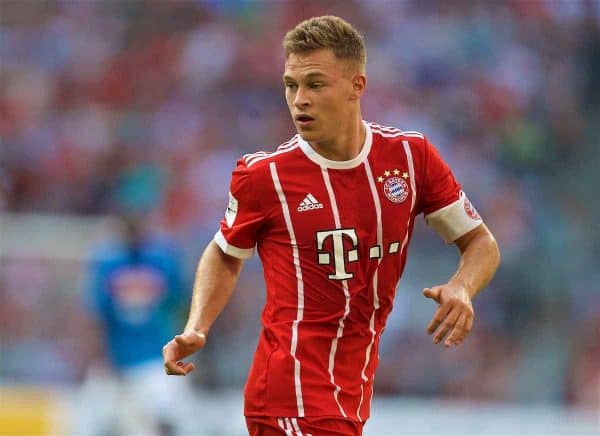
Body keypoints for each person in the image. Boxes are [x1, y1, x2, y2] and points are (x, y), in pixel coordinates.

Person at [163, 15, 500, 436]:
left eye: (315, 84)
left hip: (350, 396)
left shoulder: (411, 159)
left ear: (357, 86)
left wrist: (462, 287)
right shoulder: (264, 176)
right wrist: (197, 326)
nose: (299, 99)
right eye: (291, 85)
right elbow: (224, 250)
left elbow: (481, 243)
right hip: (291, 396)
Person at [81, 213, 193, 436]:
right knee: (98, 419)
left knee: (166, 413)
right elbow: (97, 314)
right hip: (118, 358)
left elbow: (180, 304)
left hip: (155, 354)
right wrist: (100, 355)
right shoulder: (107, 265)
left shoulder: (163, 262)